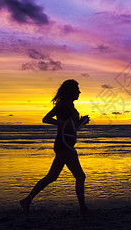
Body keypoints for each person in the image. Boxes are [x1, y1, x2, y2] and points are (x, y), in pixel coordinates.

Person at [20, 79, 90, 216]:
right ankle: (83, 209)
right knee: (80, 176)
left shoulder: (70, 105)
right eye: (77, 89)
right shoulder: (63, 105)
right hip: (64, 145)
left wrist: (81, 123)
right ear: (71, 91)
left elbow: (73, 127)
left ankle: (26, 200)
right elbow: (46, 119)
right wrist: (62, 123)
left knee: (52, 176)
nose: (79, 92)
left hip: (65, 144)